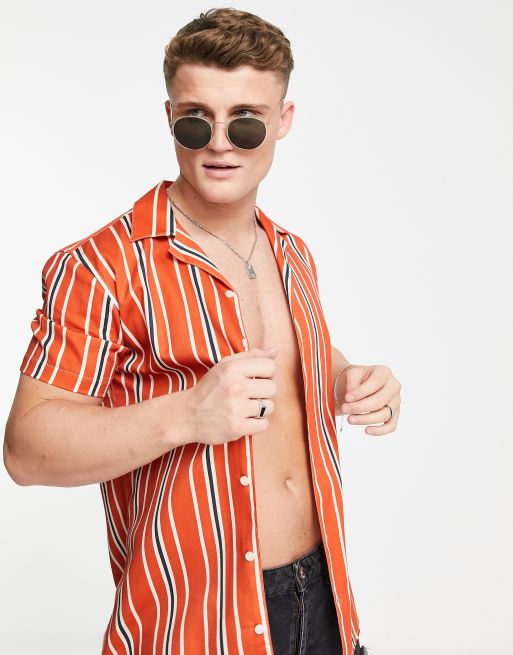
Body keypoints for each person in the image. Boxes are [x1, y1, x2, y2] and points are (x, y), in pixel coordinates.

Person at [3, 8, 401, 655]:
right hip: (199, 624)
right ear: (169, 118)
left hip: (326, 599)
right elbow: (26, 448)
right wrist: (188, 413)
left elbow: (293, 360)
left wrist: (348, 379)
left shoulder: (291, 252)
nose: (219, 143)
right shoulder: (103, 267)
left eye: (245, 121)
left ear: (282, 121)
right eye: (196, 119)